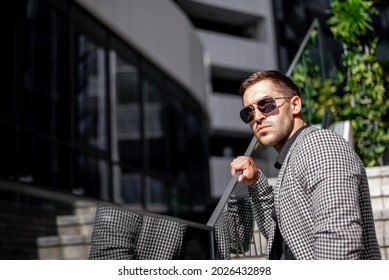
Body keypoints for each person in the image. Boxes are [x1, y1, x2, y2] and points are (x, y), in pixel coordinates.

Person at [230, 70, 381, 260]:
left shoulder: (320, 145)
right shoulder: (294, 155)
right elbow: (287, 232)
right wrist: (256, 181)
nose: (257, 117)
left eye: (266, 105)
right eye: (249, 113)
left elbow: (339, 241)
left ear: (294, 105)